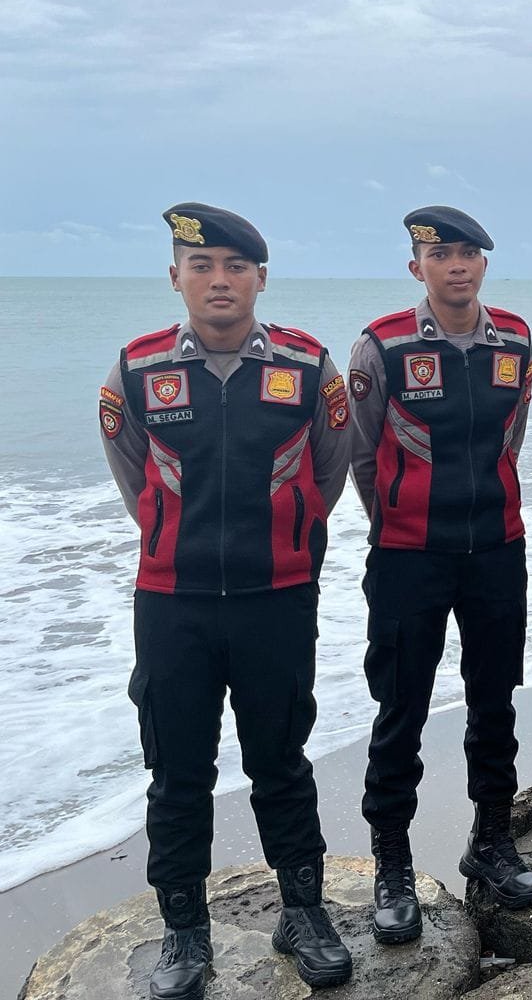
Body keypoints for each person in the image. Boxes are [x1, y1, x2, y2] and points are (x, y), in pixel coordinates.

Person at [102, 204, 352, 997]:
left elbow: (329, 472)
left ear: (260, 279)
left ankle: (303, 912)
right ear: (175, 276)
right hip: (171, 604)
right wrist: (176, 540)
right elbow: (135, 477)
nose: (220, 280)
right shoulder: (136, 370)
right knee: (177, 770)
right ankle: (184, 931)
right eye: (202, 266)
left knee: (280, 760)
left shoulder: (309, 367)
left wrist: (285, 538)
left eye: (236, 267)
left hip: (275, 598)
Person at [348, 206, 532, 942]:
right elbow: (361, 455)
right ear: (416, 267)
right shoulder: (382, 345)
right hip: (408, 557)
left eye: (467, 253)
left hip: (496, 548)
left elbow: (512, 435)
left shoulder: (515, 338)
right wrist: (401, 519)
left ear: (483, 264)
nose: (456, 265)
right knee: (401, 707)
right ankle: (392, 863)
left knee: (495, 703)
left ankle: (491, 840)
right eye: (440, 255)